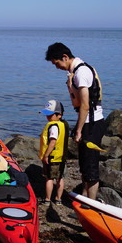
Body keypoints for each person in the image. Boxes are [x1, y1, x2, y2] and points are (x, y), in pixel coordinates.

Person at [45, 42, 104, 201]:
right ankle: (84, 199)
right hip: (88, 121)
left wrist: (78, 130)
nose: (56, 67)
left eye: (56, 63)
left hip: (91, 123)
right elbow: (78, 102)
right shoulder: (76, 73)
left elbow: (84, 105)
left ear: (65, 57)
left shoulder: (81, 72)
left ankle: (90, 205)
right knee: (84, 165)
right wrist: (70, 86)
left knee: (90, 168)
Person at [38, 100, 69, 205]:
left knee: (49, 178)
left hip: (52, 157)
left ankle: (47, 199)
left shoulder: (53, 127)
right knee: (60, 178)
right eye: (47, 115)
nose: (48, 117)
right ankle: (58, 199)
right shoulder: (62, 125)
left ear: (59, 115)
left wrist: (46, 155)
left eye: (50, 115)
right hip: (61, 157)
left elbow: (52, 142)